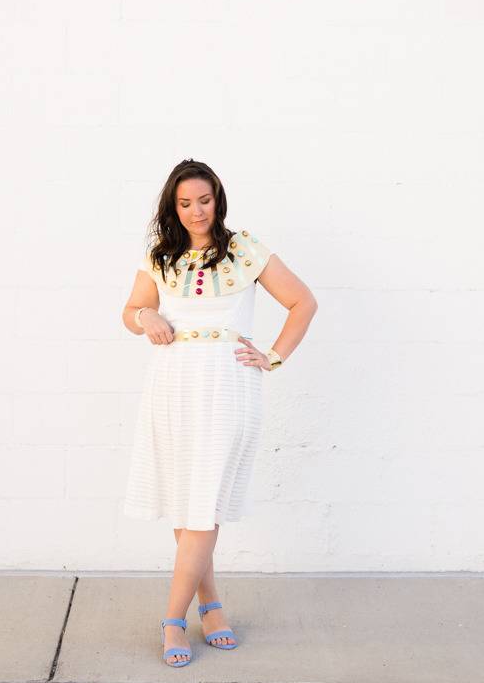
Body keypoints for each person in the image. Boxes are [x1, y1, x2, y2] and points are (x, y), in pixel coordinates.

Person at [121, 159, 318, 667]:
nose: (195, 212)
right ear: (173, 205)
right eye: (185, 203)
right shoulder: (160, 255)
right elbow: (130, 312)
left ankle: (172, 620)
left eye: (203, 201)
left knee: (204, 501)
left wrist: (272, 356)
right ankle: (210, 607)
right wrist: (147, 316)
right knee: (190, 501)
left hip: (228, 382)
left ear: (218, 199)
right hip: (172, 383)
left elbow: (303, 303)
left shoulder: (245, 249)